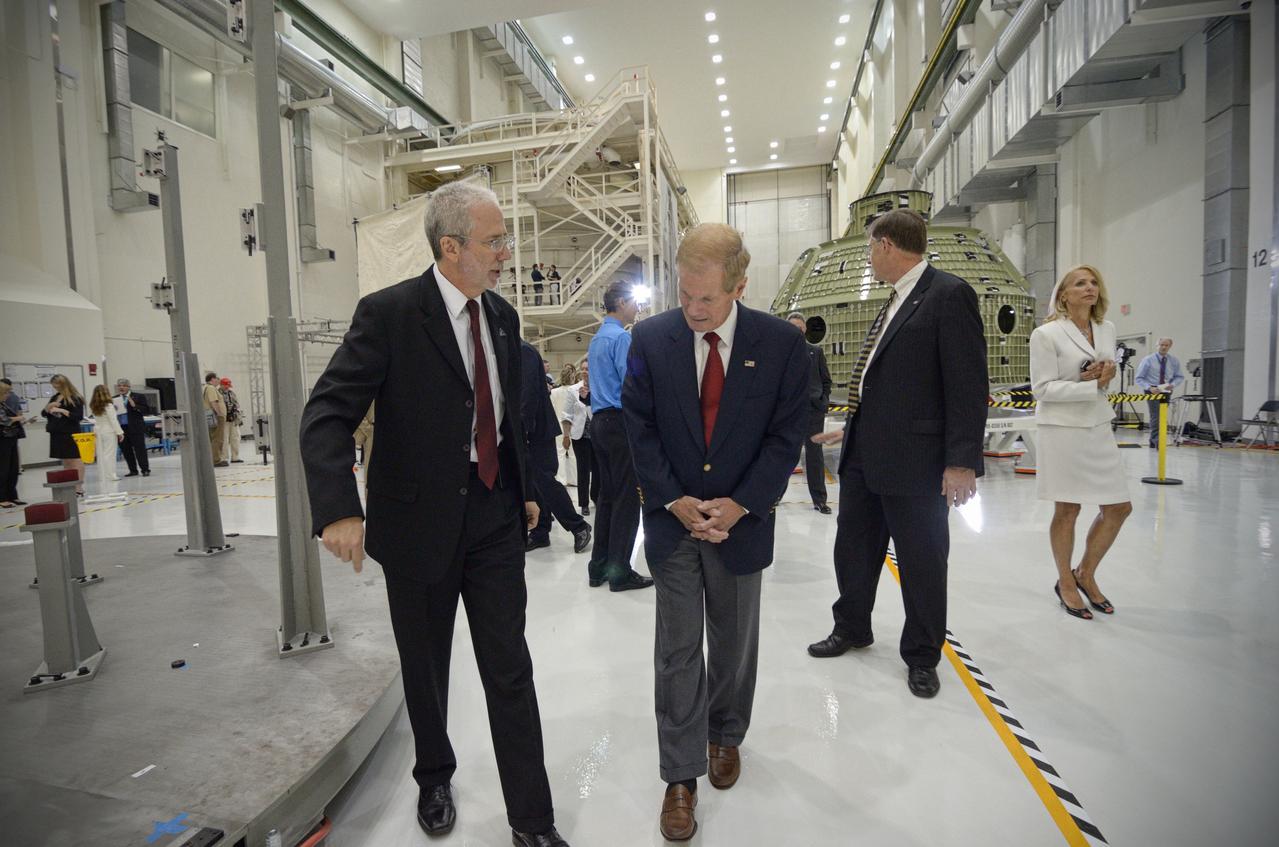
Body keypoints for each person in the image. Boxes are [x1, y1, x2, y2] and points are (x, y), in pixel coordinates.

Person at [299, 180, 569, 847]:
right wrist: (338, 508)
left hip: (495, 522)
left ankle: (533, 822)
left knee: (509, 666)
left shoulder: (501, 317)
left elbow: (509, 418)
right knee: (425, 665)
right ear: (450, 248)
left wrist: (527, 485)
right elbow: (326, 414)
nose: (507, 252)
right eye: (494, 240)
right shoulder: (389, 314)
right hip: (416, 525)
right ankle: (433, 774)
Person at [623, 223, 809, 841]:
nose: (694, 311)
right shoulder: (651, 338)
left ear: (739, 286)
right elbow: (639, 426)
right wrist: (674, 499)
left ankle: (724, 734)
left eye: (707, 299)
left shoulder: (780, 344)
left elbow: (786, 436)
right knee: (677, 650)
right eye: (685, 296)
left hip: (740, 525)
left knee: (732, 643)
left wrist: (743, 504)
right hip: (674, 524)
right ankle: (679, 778)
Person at [807, 209, 988, 700]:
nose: (868, 257)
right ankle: (853, 627)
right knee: (854, 548)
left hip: (919, 461)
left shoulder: (948, 295)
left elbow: (968, 385)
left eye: (870, 248)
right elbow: (890, 384)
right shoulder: (895, 302)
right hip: (867, 453)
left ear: (886, 245)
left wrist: (961, 461)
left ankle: (922, 655)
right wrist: (851, 429)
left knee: (922, 560)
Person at [1029, 265, 1132, 619]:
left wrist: (1107, 374)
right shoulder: (1046, 335)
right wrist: (1088, 384)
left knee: (1119, 507)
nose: (1089, 288)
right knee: (1068, 510)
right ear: (1064, 294)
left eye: (1093, 283)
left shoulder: (1107, 329)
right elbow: (1042, 389)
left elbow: (1103, 376)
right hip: (1062, 430)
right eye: (1080, 283)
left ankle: (1085, 572)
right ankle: (1065, 581)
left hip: (1098, 425)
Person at [586, 280, 653, 592]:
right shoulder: (622, 339)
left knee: (608, 497)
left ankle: (597, 567)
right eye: (634, 302)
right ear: (623, 303)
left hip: (599, 423)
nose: (637, 308)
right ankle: (619, 571)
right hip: (620, 422)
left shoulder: (597, 340)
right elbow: (632, 385)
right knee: (627, 498)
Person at [521, 341, 592, 555]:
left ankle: (579, 526)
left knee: (544, 480)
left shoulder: (522, 351)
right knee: (534, 482)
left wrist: (521, 427)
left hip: (535, 429)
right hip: (530, 428)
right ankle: (541, 532)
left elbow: (527, 394)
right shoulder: (517, 350)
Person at [787, 311, 833, 513]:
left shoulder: (816, 352)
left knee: (815, 457)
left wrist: (822, 401)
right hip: (790, 413)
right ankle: (774, 497)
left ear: (804, 329)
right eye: (792, 328)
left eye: (799, 327)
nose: (796, 331)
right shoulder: (779, 353)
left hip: (813, 411)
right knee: (785, 454)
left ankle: (819, 500)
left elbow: (826, 380)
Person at [561, 359, 598, 516]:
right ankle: (583, 503)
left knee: (598, 469)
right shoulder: (573, 390)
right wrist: (566, 435)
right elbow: (567, 414)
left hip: (598, 435)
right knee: (582, 469)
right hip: (580, 435)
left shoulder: (599, 387)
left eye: (588, 369)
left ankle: (596, 497)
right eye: (583, 369)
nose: (585, 371)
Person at [42, 374, 87, 495]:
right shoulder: (55, 397)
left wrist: (62, 410)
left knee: (75, 459)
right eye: (54, 385)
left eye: (57, 385)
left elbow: (78, 416)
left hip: (70, 432)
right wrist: (48, 407)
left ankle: (78, 487)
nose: (56, 387)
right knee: (66, 460)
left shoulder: (75, 398)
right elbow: (44, 413)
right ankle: (70, 485)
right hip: (57, 432)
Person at [1134, 337, 1184, 447]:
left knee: (1162, 415)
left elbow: (1179, 377)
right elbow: (1139, 378)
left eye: (1166, 345)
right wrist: (1149, 387)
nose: (1164, 347)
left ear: (1170, 346)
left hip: (1166, 390)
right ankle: (1157, 441)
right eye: (1162, 345)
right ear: (1157, 346)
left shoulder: (1174, 361)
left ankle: (1153, 440)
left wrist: (1173, 384)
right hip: (1152, 390)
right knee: (1156, 415)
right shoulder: (1148, 360)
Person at [88, 384, 124, 495]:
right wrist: (120, 432)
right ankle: (111, 475)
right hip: (109, 431)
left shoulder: (93, 405)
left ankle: (103, 474)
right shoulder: (108, 405)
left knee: (101, 453)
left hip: (99, 430)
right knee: (109, 453)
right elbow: (113, 420)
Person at [114, 378, 151, 477]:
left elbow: (146, 410)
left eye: (124, 385)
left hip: (135, 427)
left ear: (129, 387)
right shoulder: (115, 399)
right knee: (126, 450)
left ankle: (145, 469)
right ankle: (133, 470)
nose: (121, 387)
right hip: (122, 428)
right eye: (119, 386)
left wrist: (135, 406)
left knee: (140, 449)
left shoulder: (138, 396)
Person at [0, 380, 28, 508]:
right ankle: (2, 497)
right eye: (6, 393)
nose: (8, 395)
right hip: (3, 439)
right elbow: (5, 421)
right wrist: (17, 418)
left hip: (11, 437)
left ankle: (12, 495)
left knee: (13, 467)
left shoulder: (4, 404)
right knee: (4, 468)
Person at [203, 372, 228, 467]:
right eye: (217, 378)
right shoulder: (211, 388)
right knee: (217, 438)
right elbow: (213, 401)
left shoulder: (206, 387)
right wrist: (220, 414)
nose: (218, 380)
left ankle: (214, 458)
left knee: (213, 438)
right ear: (212, 379)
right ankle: (216, 460)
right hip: (216, 416)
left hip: (211, 415)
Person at [219, 377, 245, 463]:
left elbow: (237, 404)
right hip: (224, 420)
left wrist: (238, 416)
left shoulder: (232, 393)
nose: (227, 387)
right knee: (224, 439)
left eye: (228, 386)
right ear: (221, 384)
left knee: (236, 437)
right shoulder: (218, 393)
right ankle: (224, 458)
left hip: (233, 419)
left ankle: (235, 457)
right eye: (226, 385)